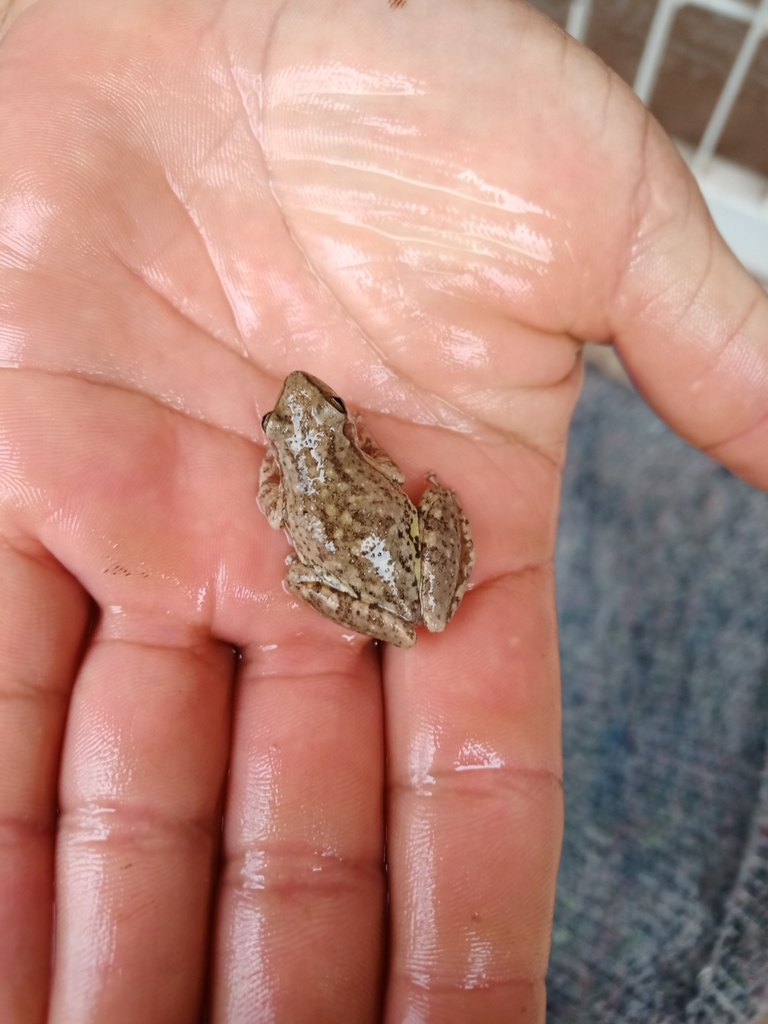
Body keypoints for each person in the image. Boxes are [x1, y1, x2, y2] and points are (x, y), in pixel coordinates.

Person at [0, 1, 765, 1022]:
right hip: (385, 554)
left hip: (364, 563)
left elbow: (288, 507)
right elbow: (321, 488)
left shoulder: (290, 470)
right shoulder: (325, 453)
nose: (306, 405)